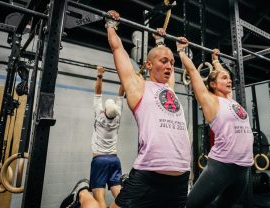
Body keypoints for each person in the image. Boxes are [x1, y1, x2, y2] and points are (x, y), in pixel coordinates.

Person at [106, 10, 191, 208]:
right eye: (164, 61)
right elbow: (118, 49)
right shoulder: (138, 87)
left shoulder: (169, 88)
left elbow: (167, 64)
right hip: (149, 174)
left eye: (172, 62)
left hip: (180, 178)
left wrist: (161, 42)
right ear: (149, 64)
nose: (170, 65)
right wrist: (111, 26)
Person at [176, 38, 254, 208]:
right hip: (222, 166)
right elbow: (193, 72)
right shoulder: (210, 101)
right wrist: (182, 51)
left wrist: (216, 61)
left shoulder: (230, 100)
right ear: (213, 84)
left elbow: (221, 75)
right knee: (191, 205)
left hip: (244, 168)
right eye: (225, 79)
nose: (229, 80)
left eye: (229, 78)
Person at [60, 66, 124, 208]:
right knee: (120, 196)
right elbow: (121, 95)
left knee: (98, 197)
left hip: (99, 160)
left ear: (105, 110)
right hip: (114, 159)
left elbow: (98, 92)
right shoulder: (118, 116)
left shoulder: (99, 115)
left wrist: (100, 75)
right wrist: (124, 78)